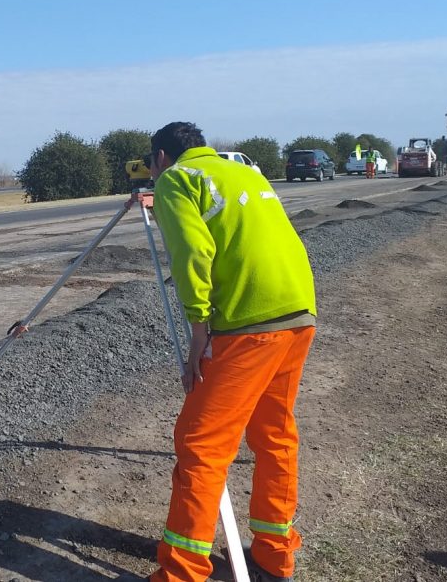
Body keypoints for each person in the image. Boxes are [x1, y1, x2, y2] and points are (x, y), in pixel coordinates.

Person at [145, 122, 317, 582]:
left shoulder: (176, 180)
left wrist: (198, 332)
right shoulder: (245, 172)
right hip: (298, 313)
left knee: (201, 446)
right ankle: (274, 556)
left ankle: (181, 573)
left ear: (161, 158)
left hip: (247, 324)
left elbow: (192, 255)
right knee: (275, 436)